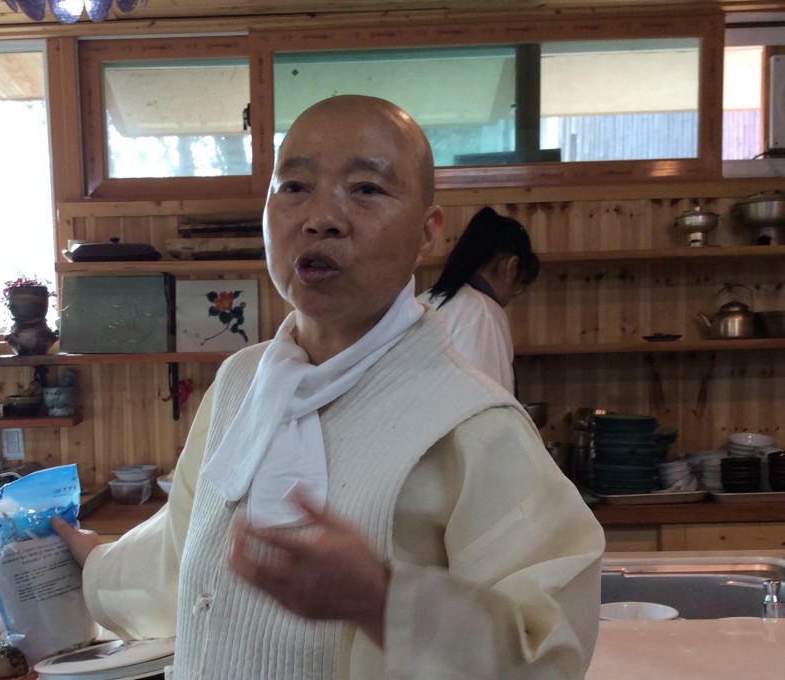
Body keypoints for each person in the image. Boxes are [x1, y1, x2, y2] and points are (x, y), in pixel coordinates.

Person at [52, 94, 604, 679]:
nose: (322, 217)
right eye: (293, 187)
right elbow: (186, 553)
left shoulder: (473, 423)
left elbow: (548, 656)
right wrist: (98, 564)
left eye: (366, 189)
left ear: (427, 231)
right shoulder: (241, 383)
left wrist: (384, 600)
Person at [420, 206, 540, 394]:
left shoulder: (428, 299)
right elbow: (485, 411)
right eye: (519, 288)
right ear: (510, 267)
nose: (511, 297)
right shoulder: (483, 313)